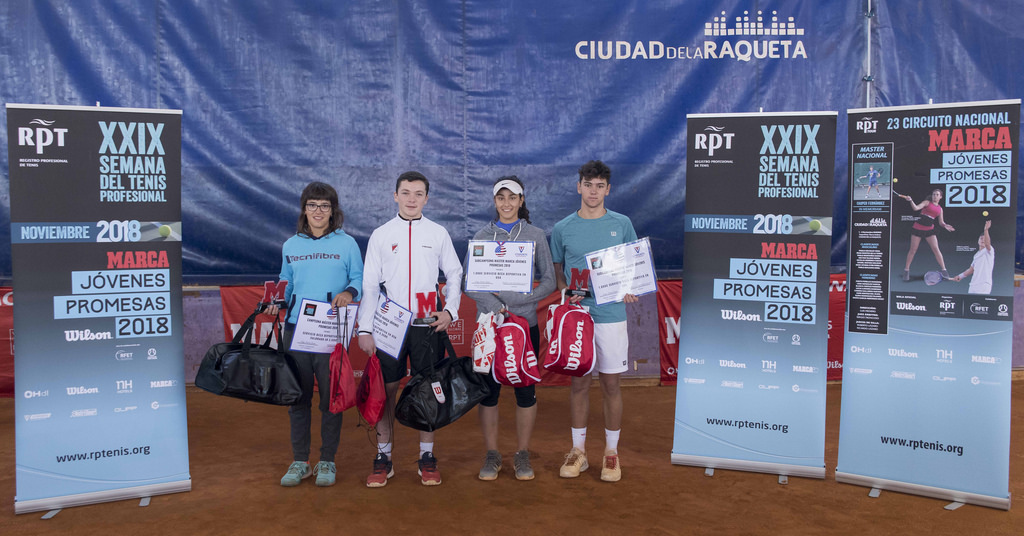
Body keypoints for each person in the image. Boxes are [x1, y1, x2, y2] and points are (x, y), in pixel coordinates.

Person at [357, 171, 463, 487]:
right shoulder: (381, 234)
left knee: (426, 390)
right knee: (387, 391)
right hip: (389, 325)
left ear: (426, 198)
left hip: (427, 325)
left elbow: (455, 274)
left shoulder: (438, 232)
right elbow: (369, 285)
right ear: (395, 196)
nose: (412, 199)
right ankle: (384, 457)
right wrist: (365, 328)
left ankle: (427, 456)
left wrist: (451, 311)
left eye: (418, 193)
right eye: (406, 193)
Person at [264, 181, 364, 488]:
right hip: (296, 330)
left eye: (324, 206)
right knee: (298, 397)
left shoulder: (346, 244)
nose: (317, 211)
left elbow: (359, 278)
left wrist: (349, 292)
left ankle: (328, 461)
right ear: (304, 210)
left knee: (331, 400)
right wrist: (276, 300)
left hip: (330, 329)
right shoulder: (291, 245)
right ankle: (300, 461)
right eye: (312, 205)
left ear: (333, 211)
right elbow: (286, 280)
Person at [549, 160, 638, 483]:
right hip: (578, 318)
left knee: (611, 384)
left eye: (600, 186)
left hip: (611, 316)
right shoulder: (562, 228)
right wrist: (565, 292)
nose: (593, 191)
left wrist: (629, 288)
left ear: (608, 189)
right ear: (579, 187)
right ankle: (578, 451)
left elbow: (633, 267)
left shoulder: (622, 224)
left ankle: (611, 454)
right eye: (588, 185)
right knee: (579, 383)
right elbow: (558, 271)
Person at [463, 176, 556, 481]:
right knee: (488, 393)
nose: (506, 203)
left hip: (523, 325)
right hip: (489, 327)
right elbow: (469, 282)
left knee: (524, 391)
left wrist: (521, 297)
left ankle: (522, 453)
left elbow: (550, 282)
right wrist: (493, 304)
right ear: (495, 201)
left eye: (512, 198)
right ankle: (492, 454)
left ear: (521, 201)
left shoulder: (535, 235)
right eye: (501, 198)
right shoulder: (481, 235)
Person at [899, 189, 955, 281]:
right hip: (918, 228)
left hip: (929, 230)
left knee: (936, 249)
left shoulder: (940, 209)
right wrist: (911, 201)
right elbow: (916, 208)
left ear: (940, 197)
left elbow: (941, 222)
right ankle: (906, 271)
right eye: (933, 194)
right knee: (913, 250)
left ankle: (944, 271)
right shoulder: (927, 202)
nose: (935, 196)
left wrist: (945, 226)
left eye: (937, 195)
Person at [952, 220, 994, 294]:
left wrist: (986, 230)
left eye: (984, 239)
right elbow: (971, 269)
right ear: (978, 241)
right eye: (981, 238)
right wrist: (960, 276)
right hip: (973, 285)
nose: (983, 240)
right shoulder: (976, 255)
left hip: (984, 285)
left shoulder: (990, 250)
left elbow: (987, 244)